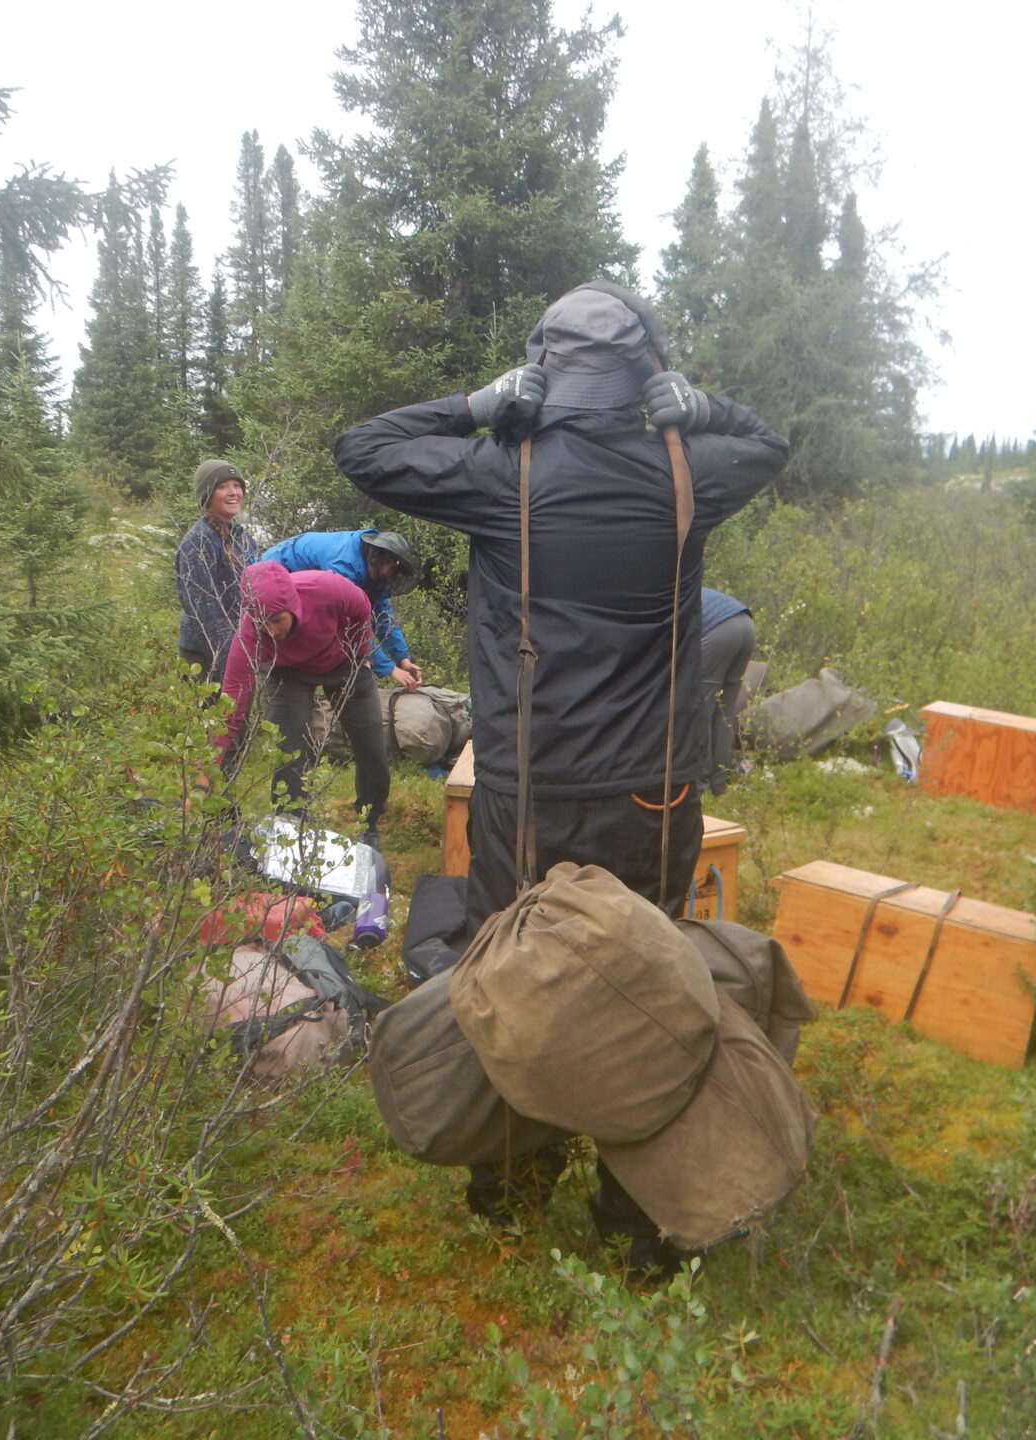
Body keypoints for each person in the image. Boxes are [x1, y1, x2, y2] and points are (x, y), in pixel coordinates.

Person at [334, 283, 788, 1265]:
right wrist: (700, 407)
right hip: (651, 789)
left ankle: (512, 1178)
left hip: (526, 790)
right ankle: (639, 1223)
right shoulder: (687, 469)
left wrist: (475, 406)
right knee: (655, 982)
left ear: (544, 367)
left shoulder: (500, 472)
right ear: (642, 371)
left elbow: (363, 450)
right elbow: (767, 444)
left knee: (512, 971)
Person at [220, 561, 392, 844]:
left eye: (277, 620)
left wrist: (360, 652)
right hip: (288, 672)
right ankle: (291, 823)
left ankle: (369, 822)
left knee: (370, 742)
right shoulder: (251, 634)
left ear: (291, 606)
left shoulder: (326, 588)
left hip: (343, 659)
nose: (271, 631)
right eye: (263, 623)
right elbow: (230, 708)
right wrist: (205, 774)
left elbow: (362, 607)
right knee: (288, 747)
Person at [258, 528, 425, 690]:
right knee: (313, 639)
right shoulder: (344, 567)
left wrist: (403, 659)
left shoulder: (371, 570)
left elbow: (382, 615)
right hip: (273, 576)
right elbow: (348, 626)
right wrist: (389, 669)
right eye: (393, 568)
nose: (393, 574)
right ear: (381, 558)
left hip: (305, 582)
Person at [174, 460, 259, 672]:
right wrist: (233, 665)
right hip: (205, 658)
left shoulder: (243, 537)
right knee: (220, 707)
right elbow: (206, 615)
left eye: (237, 485)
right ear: (208, 495)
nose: (233, 493)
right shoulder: (198, 543)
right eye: (222, 487)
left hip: (241, 649)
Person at [698, 588, 756, 794]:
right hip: (745, 624)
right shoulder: (683, 586)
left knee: (698, 712)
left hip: (718, 630)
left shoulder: (656, 601)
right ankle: (719, 785)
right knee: (724, 713)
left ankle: (700, 786)